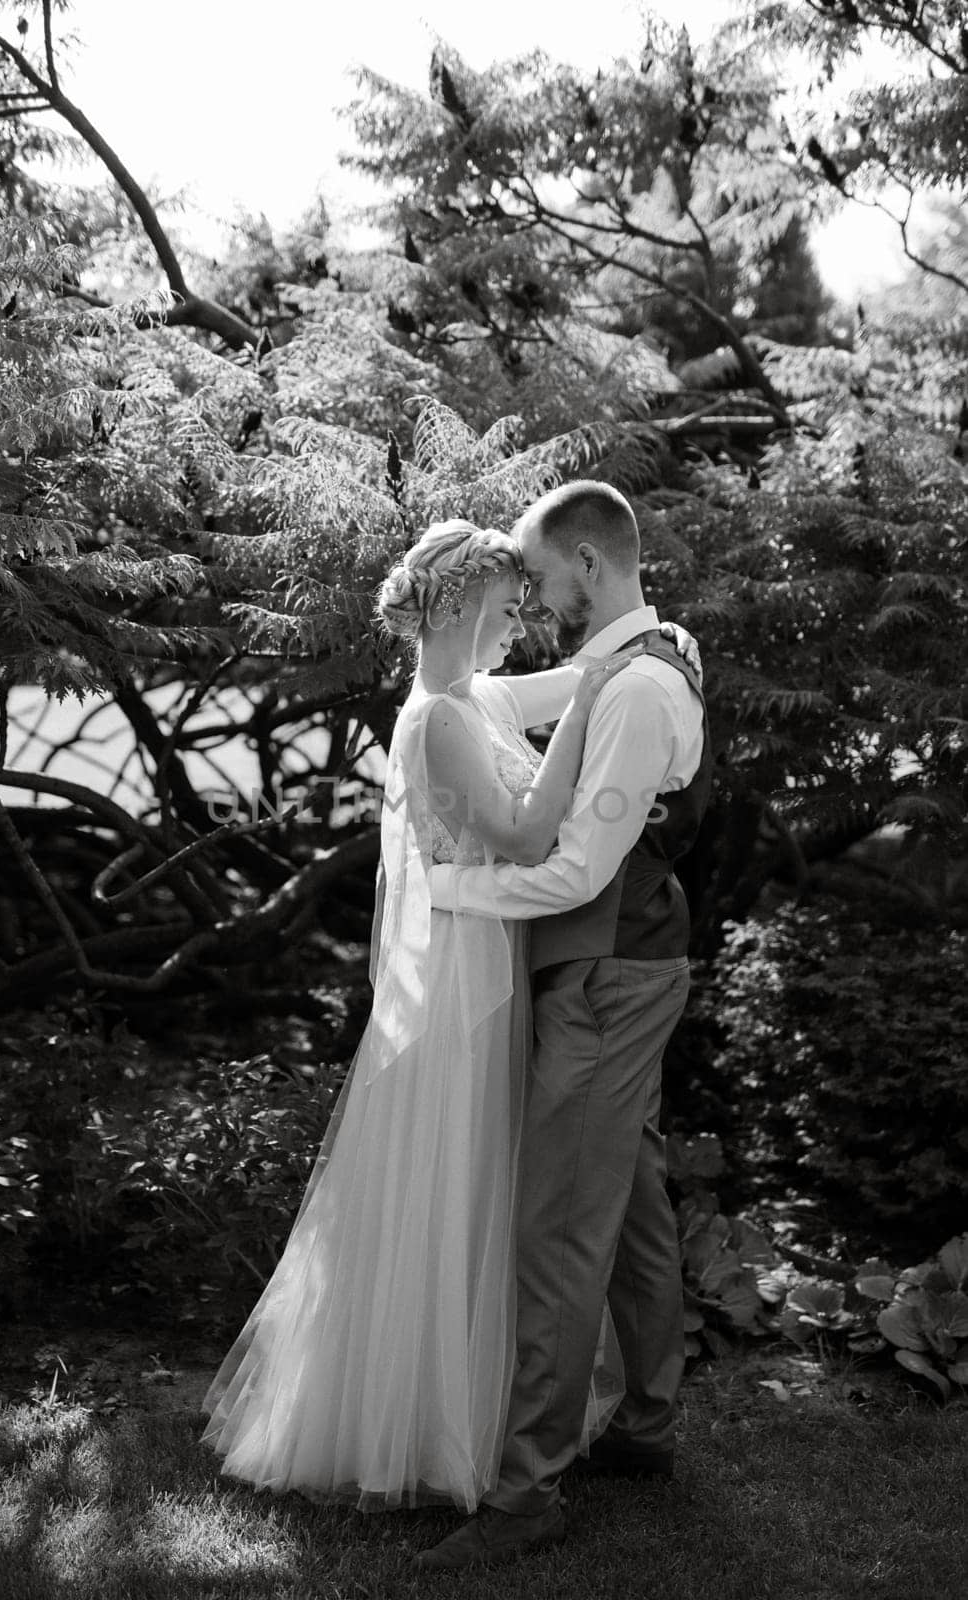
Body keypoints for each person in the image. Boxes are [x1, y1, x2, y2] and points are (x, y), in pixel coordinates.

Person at [199, 518, 641, 1510]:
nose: (519, 622)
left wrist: (640, 652)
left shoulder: (473, 695)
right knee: (459, 1170)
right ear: (458, 607)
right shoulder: (437, 716)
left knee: (480, 1171)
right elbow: (525, 838)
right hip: (459, 975)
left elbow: (564, 687)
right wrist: (591, 733)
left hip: (482, 951)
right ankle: (437, 1425)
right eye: (505, 606)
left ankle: (465, 1402)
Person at [417, 480, 713, 1569]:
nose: (535, 601)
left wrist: (454, 899)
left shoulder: (636, 689)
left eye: (541, 578)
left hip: (603, 976)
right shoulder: (648, 660)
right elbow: (532, 711)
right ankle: (645, 1427)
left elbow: (581, 866)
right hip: (624, 964)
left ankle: (528, 1489)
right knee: (629, 1204)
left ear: (588, 563)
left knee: (556, 1226)